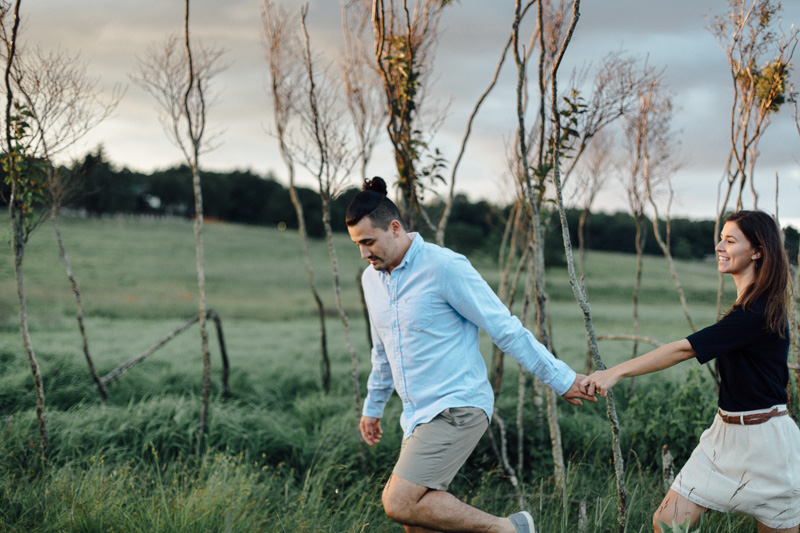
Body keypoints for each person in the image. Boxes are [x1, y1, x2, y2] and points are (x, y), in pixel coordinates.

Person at [346, 177, 596, 533]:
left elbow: (504, 328)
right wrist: (374, 406)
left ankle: (507, 529)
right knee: (417, 521)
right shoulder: (372, 280)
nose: (364, 253)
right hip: (416, 416)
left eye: (369, 241)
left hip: (457, 406)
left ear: (395, 228)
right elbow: (383, 350)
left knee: (398, 501)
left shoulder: (444, 267)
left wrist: (562, 379)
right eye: (357, 244)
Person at [582, 210, 800, 533]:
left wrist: (615, 373)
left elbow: (684, 349)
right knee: (667, 522)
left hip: (767, 443)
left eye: (730, 240)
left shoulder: (758, 311)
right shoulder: (749, 307)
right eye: (720, 238)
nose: (719, 247)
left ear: (757, 251)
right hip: (723, 436)